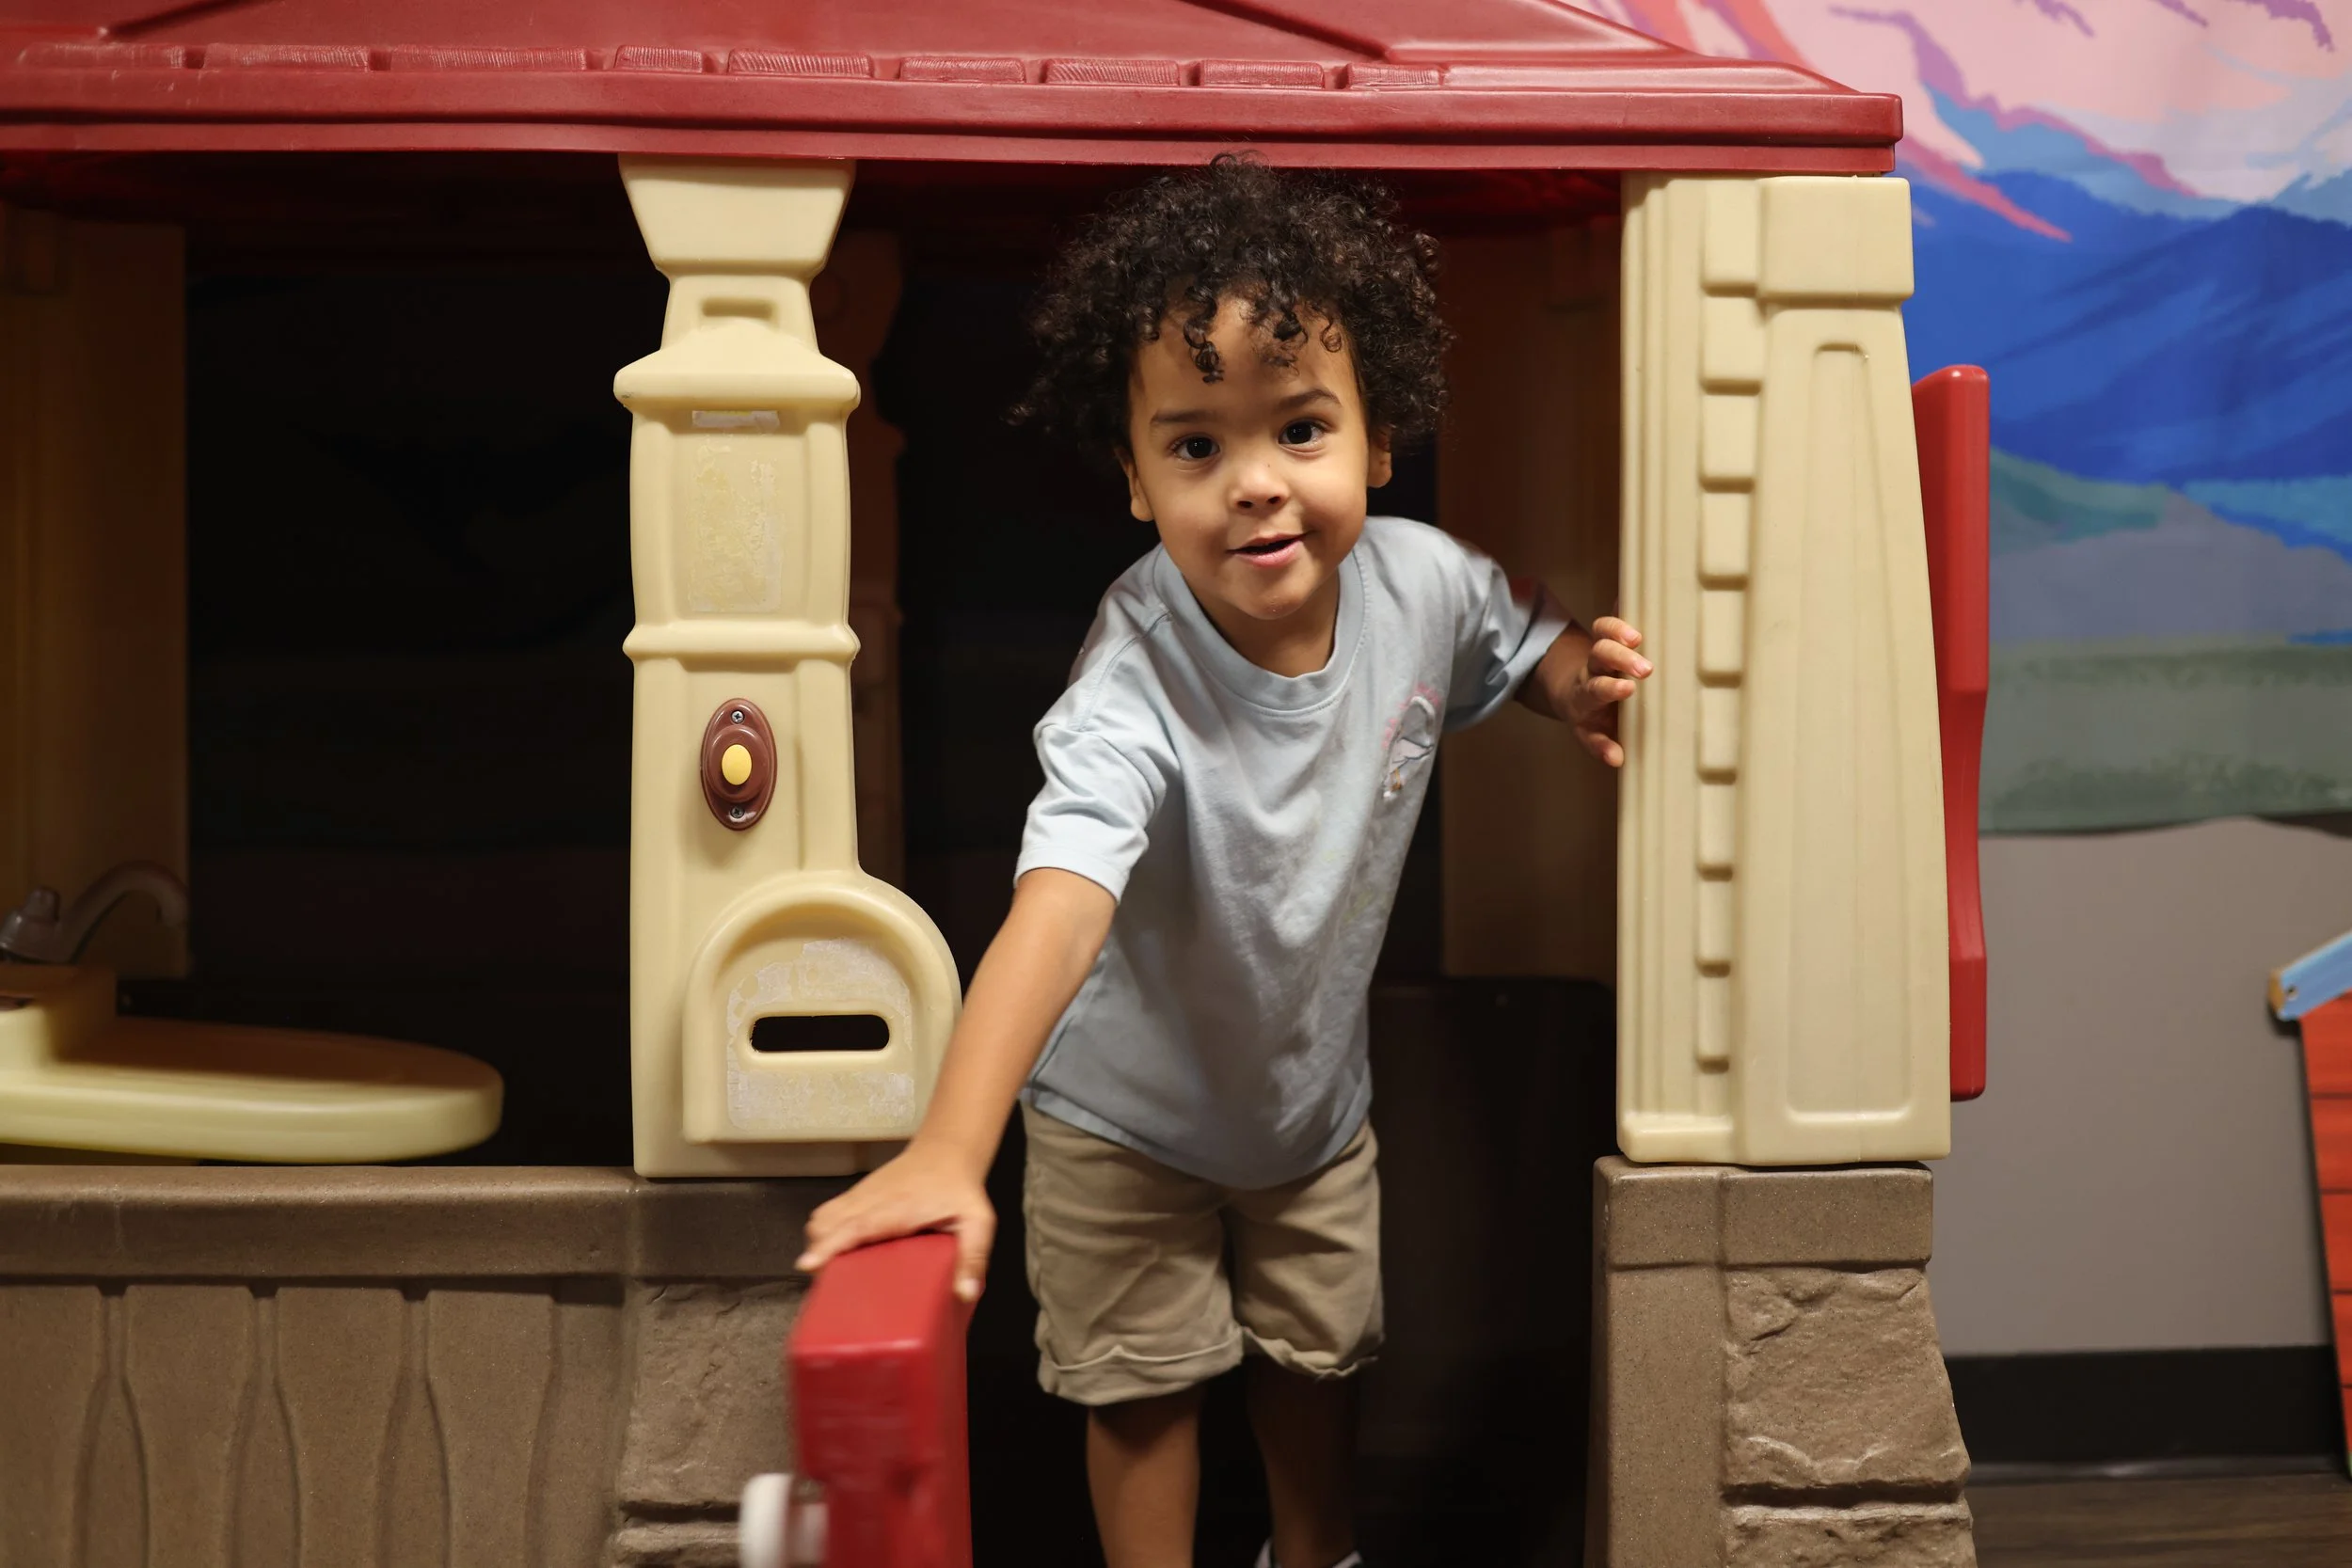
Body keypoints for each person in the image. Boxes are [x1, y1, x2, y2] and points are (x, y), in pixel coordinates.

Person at [797, 154, 1649, 1568]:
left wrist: (1579, 684)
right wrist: (951, 1148)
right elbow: (1060, 907)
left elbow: (1520, 637)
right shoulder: (1131, 677)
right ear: (1133, 478)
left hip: (1307, 1113)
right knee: (1141, 1387)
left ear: (1378, 439)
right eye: (1196, 447)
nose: (1258, 485)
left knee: (1318, 1366)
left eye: (1301, 428)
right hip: (1117, 1121)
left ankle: (1314, 1554)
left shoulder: (1424, 583)